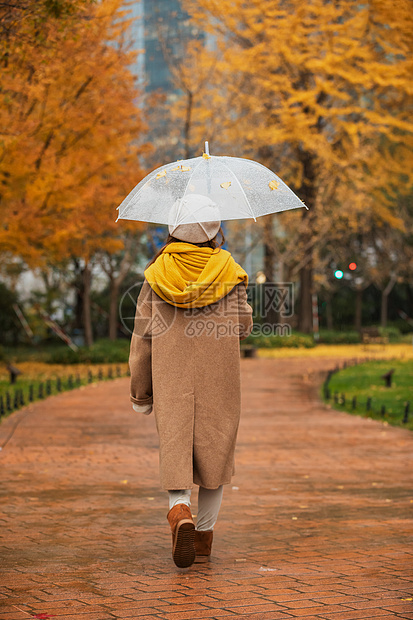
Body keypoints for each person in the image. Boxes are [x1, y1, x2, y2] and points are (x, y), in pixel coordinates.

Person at [129, 193, 253, 568]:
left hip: (172, 381)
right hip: (220, 381)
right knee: (214, 460)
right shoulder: (230, 272)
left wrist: (141, 393)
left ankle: (178, 512)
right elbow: (244, 327)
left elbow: (142, 340)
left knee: (177, 448)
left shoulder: (155, 277)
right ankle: (201, 539)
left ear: (172, 230)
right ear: (215, 230)